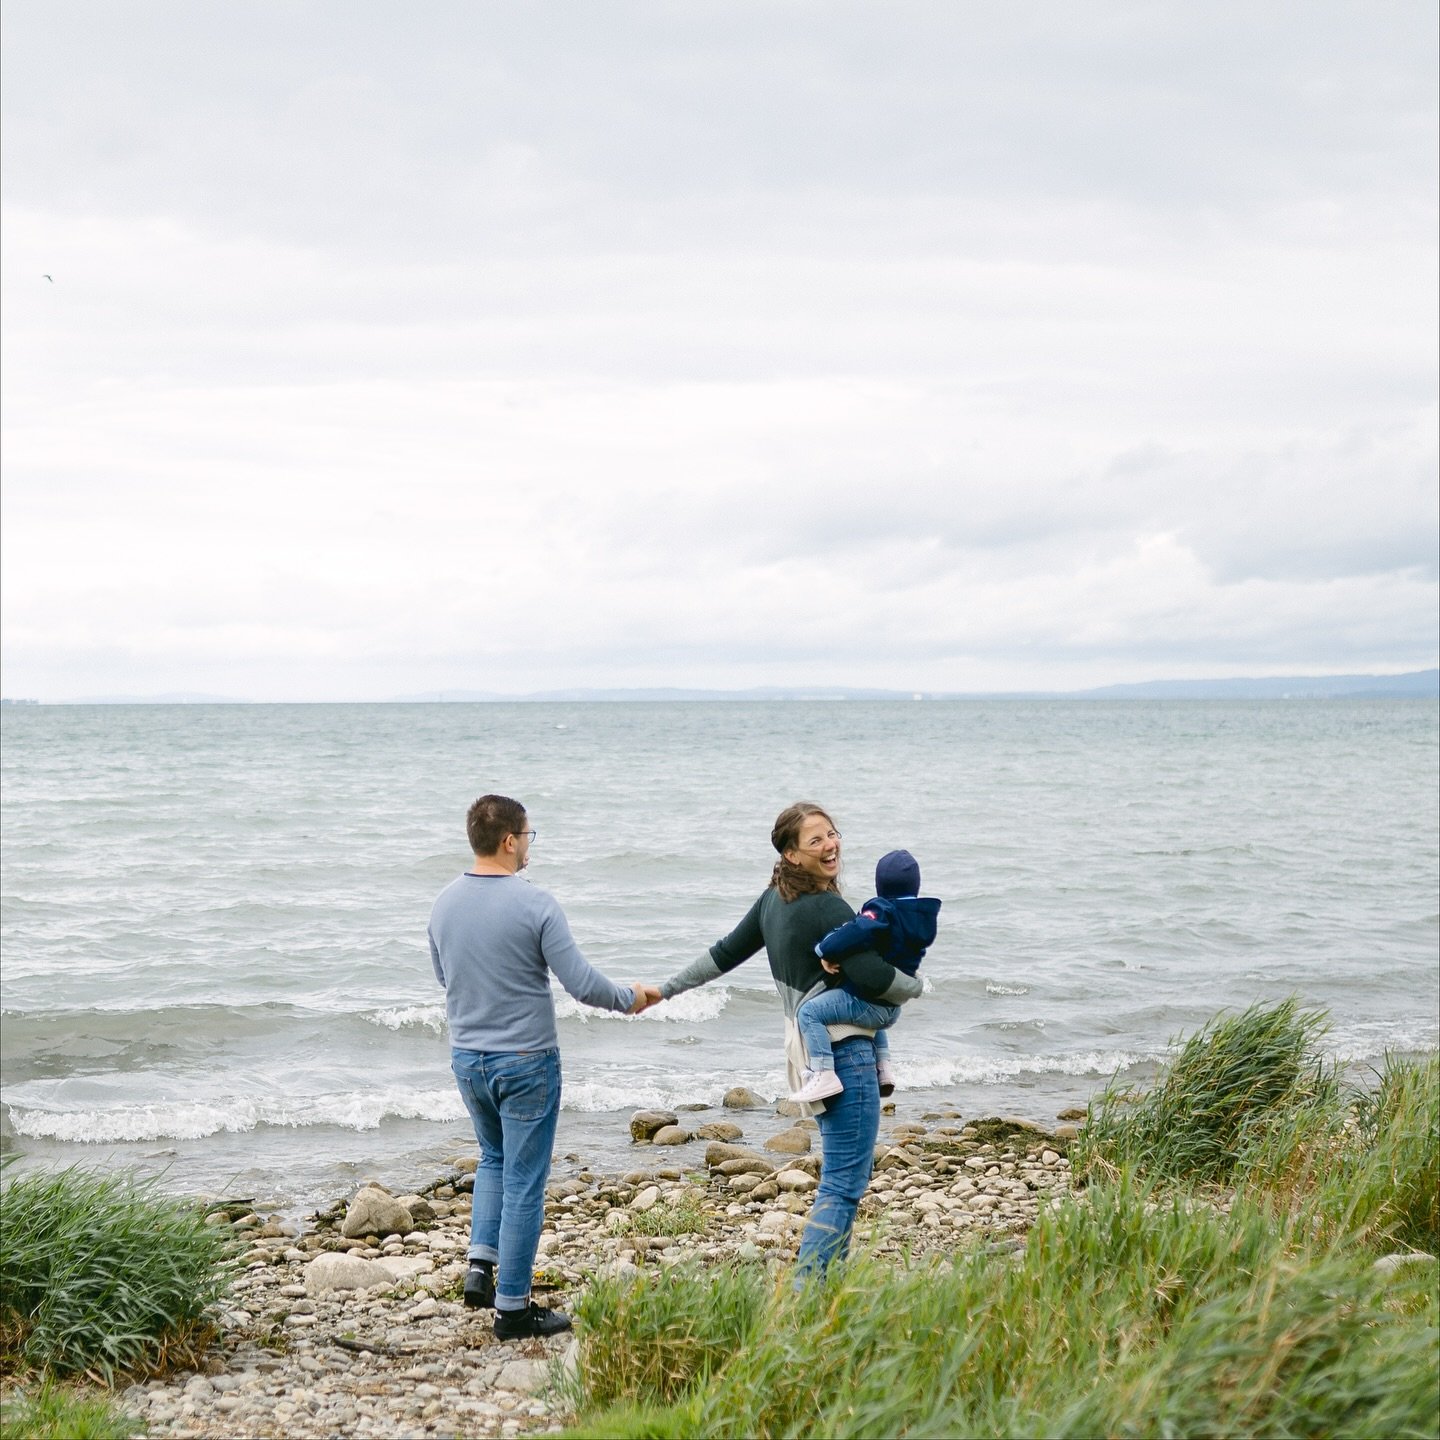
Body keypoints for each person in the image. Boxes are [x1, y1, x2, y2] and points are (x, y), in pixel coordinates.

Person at [657, 803, 923, 1280]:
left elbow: (722, 955)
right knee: (843, 1184)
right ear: (791, 854)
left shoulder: (771, 902)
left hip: (807, 1053)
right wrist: (914, 985)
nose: (831, 845)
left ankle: (824, 1288)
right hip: (846, 1053)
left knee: (842, 1178)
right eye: (815, 840)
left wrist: (665, 988)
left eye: (833, 834)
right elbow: (874, 976)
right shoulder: (829, 908)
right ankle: (808, 1292)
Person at [428, 793, 659, 1340]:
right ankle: (512, 1310)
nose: (531, 845)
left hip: (468, 1059)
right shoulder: (536, 904)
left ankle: (479, 1268)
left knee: (492, 1158)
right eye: (529, 836)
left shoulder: (442, 902)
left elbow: (445, 976)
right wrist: (632, 997)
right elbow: (582, 985)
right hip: (526, 1061)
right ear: (510, 841)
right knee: (526, 1181)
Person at [791, 848, 940, 1103]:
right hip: (892, 1008)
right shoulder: (923, 917)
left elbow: (857, 931)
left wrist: (823, 948)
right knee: (876, 1019)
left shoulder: (882, 910)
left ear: (880, 884)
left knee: (808, 1013)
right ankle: (884, 1067)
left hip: (868, 1003)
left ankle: (823, 1072)